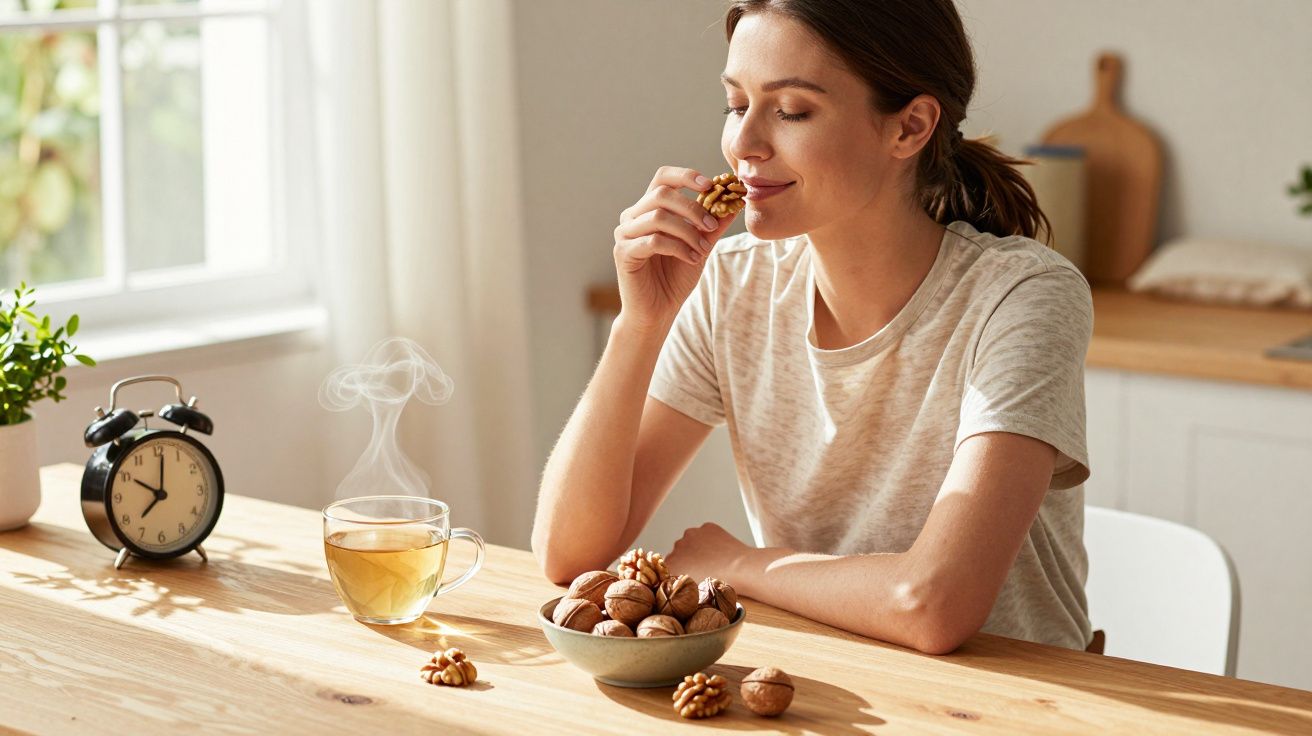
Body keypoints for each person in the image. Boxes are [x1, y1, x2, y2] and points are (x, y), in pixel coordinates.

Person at [531, 0, 1094, 654]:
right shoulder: (733, 284)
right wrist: (639, 324)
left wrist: (739, 564)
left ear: (909, 127)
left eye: (791, 111)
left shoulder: (1023, 296)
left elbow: (934, 604)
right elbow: (570, 555)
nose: (743, 145)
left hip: (1018, 703)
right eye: (736, 104)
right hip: (826, 683)